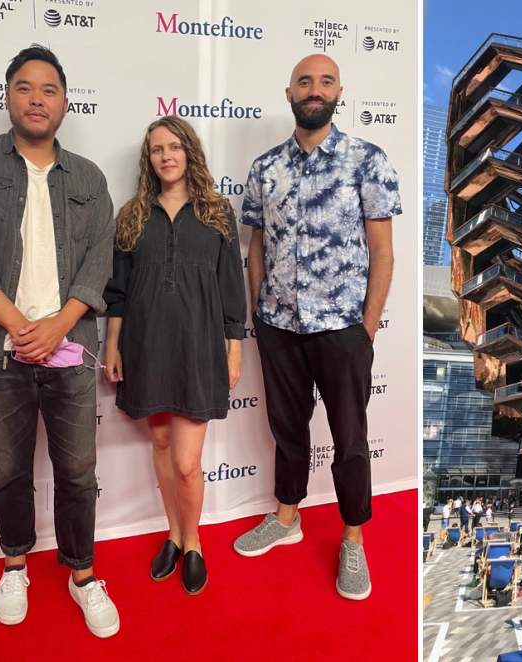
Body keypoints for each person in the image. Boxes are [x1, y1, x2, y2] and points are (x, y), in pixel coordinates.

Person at [0, 45, 119, 636]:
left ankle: (82, 574)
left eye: (48, 90)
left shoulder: (88, 176)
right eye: (24, 87)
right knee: (9, 468)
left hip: (68, 350)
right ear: (7, 96)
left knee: (78, 471)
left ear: (65, 102)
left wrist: (58, 326)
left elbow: (99, 261)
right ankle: (14, 563)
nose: (36, 99)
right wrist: (21, 328)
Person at [230, 53, 400, 601]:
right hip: (279, 325)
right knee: (287, 428)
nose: (314, 89)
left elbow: (383, 252)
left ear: (338, 93)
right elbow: (255, 248)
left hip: (344, 328)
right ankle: (286, 518)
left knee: (349, 440)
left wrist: (365, 329)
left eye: (325, 81)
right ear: (289, 93)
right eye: (305, 81)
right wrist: (258, 310)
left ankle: (353, 539)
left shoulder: (366, 160)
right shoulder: (264, 169)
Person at [103, 116, 246, 595]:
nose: (165, 156)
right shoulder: (131, 215)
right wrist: (111, 345)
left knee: (187, 462)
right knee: (160, 446)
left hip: (199, 345)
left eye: (173, 147)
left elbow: (231, 285)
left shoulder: (217, 212)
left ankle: (195, 543)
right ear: (149, 159)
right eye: (156, 149)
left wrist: (234, 347)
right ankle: (173, 534)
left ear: (189, 152)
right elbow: (117, 291)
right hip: (144, 344)